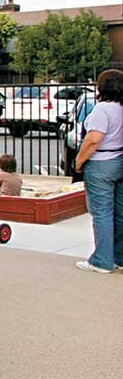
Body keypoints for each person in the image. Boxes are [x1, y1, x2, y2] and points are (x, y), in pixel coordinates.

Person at [73, 69, 123, 274]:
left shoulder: (102, 109)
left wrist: (79, 161)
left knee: (102, 213)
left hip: (101, 163)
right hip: (119, 160)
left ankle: (102, 261)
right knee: (120, 213)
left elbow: (93, 139)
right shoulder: (121, 107)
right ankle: (119, 257)